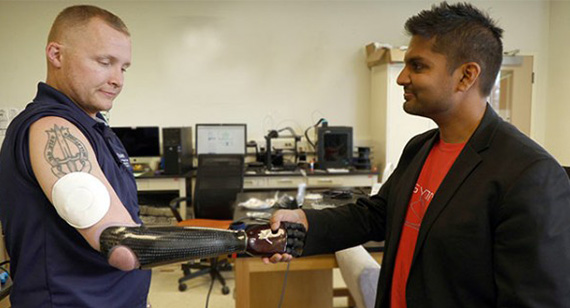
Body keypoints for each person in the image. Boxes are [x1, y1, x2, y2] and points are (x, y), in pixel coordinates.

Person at [266, 2, 570, 307]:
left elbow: (535, 300)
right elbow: (377, 215)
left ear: (466, 76)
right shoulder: (420, 147)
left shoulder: (530, 175)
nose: (402, 78)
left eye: (418, 66)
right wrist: (306, 221)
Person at [0, 5, 306, 307]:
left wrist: (238, 229)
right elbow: (122, 245)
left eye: (123, 68)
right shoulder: (51, 130)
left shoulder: (94, 128)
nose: (118, 79)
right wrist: (246, 241)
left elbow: (127, 227)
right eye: (105, 62)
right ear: (56, 55)